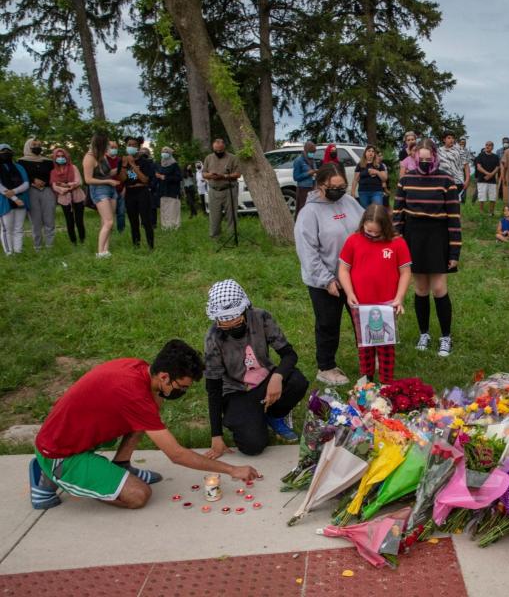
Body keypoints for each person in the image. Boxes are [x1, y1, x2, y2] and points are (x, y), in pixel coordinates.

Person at [28, 339, 260, 510]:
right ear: (165, 377)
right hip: (60, 452)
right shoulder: (134, 395)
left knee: (152, 406)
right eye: (182, 387)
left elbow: (147, 410)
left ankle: (121, 466)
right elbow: (176, 455)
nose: (182, 392)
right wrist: (231, 470)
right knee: (138, 495)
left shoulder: (140, 371)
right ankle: (48, 475)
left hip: (76, 437)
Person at [203, 279, 309, 456]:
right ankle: (253, 417)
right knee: (252, 446)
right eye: (224, 325)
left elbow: (289, 355)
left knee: (297, 381)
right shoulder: (213, 338)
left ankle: (275, 415)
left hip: (266, 381)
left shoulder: (261, 317)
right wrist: (216, 435)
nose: (231, 329)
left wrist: (277, 377)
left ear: (245, 311)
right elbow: (213, 387)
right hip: (237, 391)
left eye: (236, 324)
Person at [295, 164, 365, 386]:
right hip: (326, 280)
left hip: (355, 276)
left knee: (362, 319)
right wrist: (326, 280)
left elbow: (367, 227)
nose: (338, 191)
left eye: (342, 186)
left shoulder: (351, 203)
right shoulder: (309, 213)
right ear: (320, 185)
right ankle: (326, 367)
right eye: (333, 187)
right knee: (328, 323)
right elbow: (308, 252)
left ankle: (369, 359)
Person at [393, 139, 461, 357]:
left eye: (428, 159)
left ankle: (446, 337)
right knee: (420, 288)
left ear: (434, 157)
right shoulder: (405, 181)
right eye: (420, 159)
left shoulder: (446, 180)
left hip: (437, 236)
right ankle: (424, 333)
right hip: (413, 238)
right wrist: (398, 244)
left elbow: (454, 217)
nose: (424, 163)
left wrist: (454, 251)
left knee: (439, 288)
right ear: (414, 158)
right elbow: (397, 216)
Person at [338, 204, 413, 383]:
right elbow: (343, 269)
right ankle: (367, 379)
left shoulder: (397, 243)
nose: (371, 235)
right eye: (368, 230)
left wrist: (399, 298)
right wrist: (349, 293)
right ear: (363, 223)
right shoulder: (353, 240)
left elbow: (405, 272)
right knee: (364, 344)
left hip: (387, 304)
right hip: (361, 304)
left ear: (386, 228)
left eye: (376, 232)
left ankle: (387, 382)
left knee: (386, 344)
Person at [83, 133, 121, 257]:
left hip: (111, 189)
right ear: (100, 144)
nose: (109, 147)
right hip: (99, 190)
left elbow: (108, 172)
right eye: (107, 144)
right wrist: (108, 181)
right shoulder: (89, 158)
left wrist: (122, 167)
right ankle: (100, 253)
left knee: (106, 221)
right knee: (109, 222)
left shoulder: (103, 156)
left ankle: (105, 250)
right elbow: (88, 180)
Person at [19, 138, 56, 250]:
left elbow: (53, 175)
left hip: (47, 190)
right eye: (34, 144)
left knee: (49, 219)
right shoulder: (22, 161)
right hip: (31, 191)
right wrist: (32, 181)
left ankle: (50, 246)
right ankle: (37, 247)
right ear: (28, 146)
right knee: (36, 221)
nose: (37, 147)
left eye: (39, 145)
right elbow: (20, 176)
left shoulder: (48, 161)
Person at [203, 139, 242, 240]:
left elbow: (238, 174)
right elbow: (204, 173)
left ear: (224, 148)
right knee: (214, 215)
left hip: (229, 189)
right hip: (214, 190)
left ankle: (232, 236)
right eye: (216, 150)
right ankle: (215, 236)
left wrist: (223, 176)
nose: (218, 152)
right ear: (213, 148)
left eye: (220, 150)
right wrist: (210, 175)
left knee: (231, 215)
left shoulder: (233, 158)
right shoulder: (208, 158)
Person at [119, 137, 154, 250]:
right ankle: (136, 245)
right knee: (133, 222)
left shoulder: (145, 162)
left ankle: (150, 246)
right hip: (130, 192)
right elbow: (123, 179)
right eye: (129, 144)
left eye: (134, 145)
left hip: (142, 192)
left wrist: (133, 165)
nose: (131, 147)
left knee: (146, 220)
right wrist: (125, 165)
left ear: (138, 148)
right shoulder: (123, 161)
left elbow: (145, 180)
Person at [50, 147, 85, 245]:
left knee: (79, 220)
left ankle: (82, 240)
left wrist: (66, 185)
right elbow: (54, 185)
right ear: (54, 158)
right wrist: (63, 188)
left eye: (62, 156)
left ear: (66, 157)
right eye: (58, 156)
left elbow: (79, 181)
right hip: (64, 199)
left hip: (77, 197)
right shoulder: (53, 171)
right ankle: (73, 242)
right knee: (69, 222)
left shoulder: (73, 167)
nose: (60, 158)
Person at [0, 143, 30, 255]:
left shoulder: (19, 167)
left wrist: (14, 192)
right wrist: (14, 198)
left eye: (8, 152)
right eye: (2, 152)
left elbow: (26, 183)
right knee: (6, 229)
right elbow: (0, 187)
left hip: (22, 200)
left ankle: (18, 252)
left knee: (19, 228)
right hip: (4, 201)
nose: (5, 154)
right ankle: (9, 253)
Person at [438, 132, 470, 204]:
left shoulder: (460, 150)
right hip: (443, 181)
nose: (451, 140)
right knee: (443, 202)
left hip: (457, 181)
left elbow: (466, 166)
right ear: (444, 139)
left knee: (454, 203)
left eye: (452, 138)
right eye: (449, 138)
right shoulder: (439, 151)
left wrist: (467, 180)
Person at [156, 147, 183, 230]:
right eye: (163, 151)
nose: (164, 153)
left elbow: (179, 177)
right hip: (163, 190)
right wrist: (158, 176)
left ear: (170, 153)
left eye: (166, 151)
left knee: (173, 209)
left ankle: (174, 226)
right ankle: (165, 226)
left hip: (172, 191)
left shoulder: (174, 165)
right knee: (164, 209)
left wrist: (166, 177)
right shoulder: (161, 164)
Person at [292, 141, 318, 218]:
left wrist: (316, 172)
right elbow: (296, 177)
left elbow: (313, 171)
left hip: (313, 187)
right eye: (311, 152)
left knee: (311, 209)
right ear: (306, 150)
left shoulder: (312, 160)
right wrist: (308, 173)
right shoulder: (298, 161)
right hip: (303, 189)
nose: (312, 154)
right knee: (302, 208)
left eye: (314, 152)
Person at [475, 141, 500, 216]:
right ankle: (481, 212)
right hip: (482, 180)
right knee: (482, 197)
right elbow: (479, 167)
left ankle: (491, 212)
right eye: (486, 145)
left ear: (492, 147)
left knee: (493, 197)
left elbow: (497, 167)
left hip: (492, 181)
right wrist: (488, 174)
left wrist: (491, 174)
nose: (487, 146)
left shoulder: (496, 157)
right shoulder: (480, 155)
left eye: (489, 145)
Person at [107, 141, 125, 234]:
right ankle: (108, 231)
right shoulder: (103, 160)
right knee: (108, 214)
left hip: (120, 190)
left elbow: (131, 175)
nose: (114, 149)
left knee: (121, 213)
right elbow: (105, 174)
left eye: (115, 147)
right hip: (107, 191)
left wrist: (125, 189)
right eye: (112, 147)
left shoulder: (121, 160)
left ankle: (121, 232)